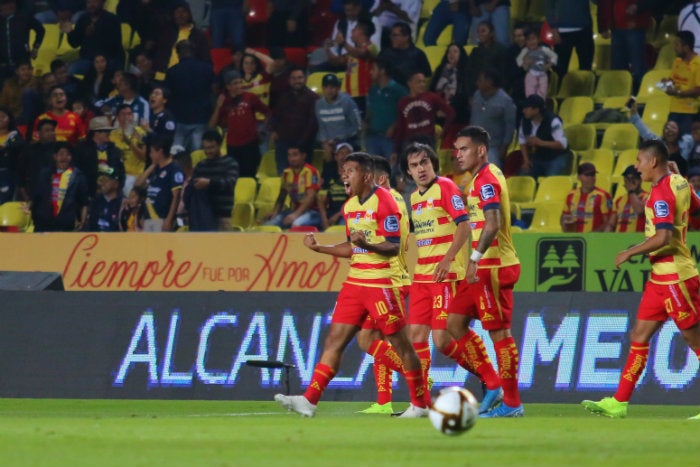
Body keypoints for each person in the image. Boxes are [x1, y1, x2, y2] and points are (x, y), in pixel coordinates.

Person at [274, 151, 428, 418]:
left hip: (380, 283)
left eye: (351, 170)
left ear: (366, 175)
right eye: (343, 170)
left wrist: (366, 243)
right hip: (354, 284)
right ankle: (309, 401)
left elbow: (393, 247)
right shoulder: (350, 207)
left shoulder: (386, 203)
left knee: (401, 345)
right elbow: (351, 247)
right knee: (334, 342)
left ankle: (420, 403)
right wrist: (320, 248)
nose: (344, 175)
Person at [582, 139, 700, 420]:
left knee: (694, 340)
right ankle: (619, 402)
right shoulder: (680, 183)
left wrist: (629, 252)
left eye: (639, 161)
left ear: (653, 162)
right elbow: (696, 208)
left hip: (676, 277)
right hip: (659, 278)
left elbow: (664, 237)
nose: (637, 167)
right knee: (639, 335)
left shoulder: (660, 193)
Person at [401, 141, 505, 415]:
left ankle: (490, 378)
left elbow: (464, 225)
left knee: (443, 341)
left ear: (433, 163)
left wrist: (448, 259)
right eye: (414, 165)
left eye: (424, 162)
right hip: (422, 275)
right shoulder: (414, 198)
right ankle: (419, 403)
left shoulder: (446, 187)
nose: (420, 169)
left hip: (447, 275)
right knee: (415, 336)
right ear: (408, 172)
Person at [447, 125, 524, 418]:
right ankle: (492, 383)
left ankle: (513, 403)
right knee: (454, 323)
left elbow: (492, 223)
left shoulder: (486, 180)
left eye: (464, 149)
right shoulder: (486, 175)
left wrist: (475, 258)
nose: (458, 155)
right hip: (484, 267)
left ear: (480, 150)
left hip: (492, 266)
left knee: (500, 334)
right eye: (456, 149)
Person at [354, 154, 411, 414]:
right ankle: (384, 401)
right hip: (390, 277)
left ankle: (415, 374)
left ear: (381, 178)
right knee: (378, 340)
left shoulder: (390, 201)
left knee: (367, 339)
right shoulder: (387, 201)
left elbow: (388, 242)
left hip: (390, 278)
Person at [210, 70, 269, 178]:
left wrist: (263, 131)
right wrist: (218, 107)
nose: (239, 86)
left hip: (250, 143)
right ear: (228, 86)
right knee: (235, 175)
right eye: (235, 83)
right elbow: (212, 125)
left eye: (240, 82)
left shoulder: (250, 97)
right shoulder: (224, 102)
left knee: (250, 175)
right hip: (233, 145)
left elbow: (267, 112)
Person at [165, 40, 215, 153]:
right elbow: (214, 90)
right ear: (193, 51)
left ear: (178, 54)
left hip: (179, 118)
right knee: (197, 156)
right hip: (201, 117)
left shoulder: (172, 71)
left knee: (176, 154)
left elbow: (167, 96)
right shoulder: (206, 68)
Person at [184, 130, 239, 231]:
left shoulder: (230, 163)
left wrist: (209, 183)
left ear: (220, 145)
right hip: (202, 217)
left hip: (223, 216)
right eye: (205, 148)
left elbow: (230, 183)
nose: (208, 151)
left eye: (211, 148)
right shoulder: (201, 165)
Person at [268, 66, 318, 174]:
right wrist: (273, 130)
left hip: (304, 145)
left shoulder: (313, 98)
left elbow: (312, 123)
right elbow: (275, 115)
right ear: (289, 80)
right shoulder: (282, 97)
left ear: (305, 79)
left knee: (304, 178)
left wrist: (299, 145)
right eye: (294, 78)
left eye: (300, 78)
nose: (297, 81)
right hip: (283, 144)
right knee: (283, 176)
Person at [30, 142, 89, 232]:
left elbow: (84, 202)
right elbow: (36, 197)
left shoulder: (78, 176)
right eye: (61, 154)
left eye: (68, 155)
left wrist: (82, 222)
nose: (64, 158)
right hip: (43, 222)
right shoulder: (44, 174)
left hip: (66, 223)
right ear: (55, 156)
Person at [393, 72, 456, 156]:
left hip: (427, 138)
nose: (422, 84)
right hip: (410, 140)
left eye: (424, 82)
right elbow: (401, 127)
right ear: (410, 83)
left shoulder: (431, 97)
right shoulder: (403, 103)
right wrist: (395, 151)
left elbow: (451, 113)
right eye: (418, 82)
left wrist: (443, 132)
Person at [597, 0, 652, 91]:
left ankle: (638, 97)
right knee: (618, 70)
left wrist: (637, 9)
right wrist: (602, 26)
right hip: (616, 28)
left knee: (637, 69)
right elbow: (603, 3)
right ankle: (620, 98)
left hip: (634, 27)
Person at [265, 146, 322, 230]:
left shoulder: (310, 171)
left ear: (303, 156)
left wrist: (295, 215)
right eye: (289, 155)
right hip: (293, 210)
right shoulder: (286, 173)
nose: (292, 158)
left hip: (312, 212)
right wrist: (275, 211)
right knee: (270, 224)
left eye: (295, 155)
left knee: (296, 224)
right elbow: (282, 194)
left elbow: (311, 197)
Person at [629, 100, 692, 176]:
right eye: (667, 128)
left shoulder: (687, 141)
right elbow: (645, 132)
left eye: (673, 128)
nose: (669, 131)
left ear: (679, 131)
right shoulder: (659, 143)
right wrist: (633, 113)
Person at [469, 68, 516, 169]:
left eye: (480, 80)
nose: (477, 83)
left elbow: (510, 127)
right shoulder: (477, 95)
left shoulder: (506, 102)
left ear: (489, 82)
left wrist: (504, 147)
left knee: (490, 175)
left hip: (493, 147)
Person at [136, 134, 184, 232]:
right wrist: (153, 165)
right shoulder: (155, 169)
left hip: (162, 218)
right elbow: (137, 184)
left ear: (160, 152)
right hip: (149, 217)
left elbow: (176, 196)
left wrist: (169, 220)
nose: (150, 155)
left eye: (152, 152)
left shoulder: (174, 169)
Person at [62, 0, 124, 75]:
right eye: (89, 2)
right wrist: (70, 32)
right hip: (87, 60)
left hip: (107, 59)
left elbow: (114, 45)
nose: (91, 5)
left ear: (102, 3)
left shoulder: (111, 19)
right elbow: (75, 44)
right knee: (71, 70)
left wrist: (93, 34)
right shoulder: (83, 19)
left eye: (94, 2)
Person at [365, 57, 408, 160]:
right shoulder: (372, 90)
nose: (370, 72)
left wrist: (394, 126)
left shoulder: (398, 90)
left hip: (390, 139)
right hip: (373, 137)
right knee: (374, 171)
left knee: (390, 171)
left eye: (373, 69)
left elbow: (407, 112)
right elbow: (370, 110)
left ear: (382, 71)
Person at [73, 115, 125, 198]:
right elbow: (78, 171)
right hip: (88, 193)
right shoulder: (82, 150)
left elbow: (120, 171)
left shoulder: (114, 150)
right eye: (106, 131)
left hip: (110, 193)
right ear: (96, 133)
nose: (109, 133)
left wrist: (109, 170)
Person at [518, 94, 569, 178]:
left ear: (536, 109)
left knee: (551, 179)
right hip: (537, 157)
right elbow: (522, 142)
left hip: (555, 157)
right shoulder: (524, 121)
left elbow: (563, 144)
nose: (523, 111)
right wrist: (526, 160)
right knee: (523, 176)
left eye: (527, 108)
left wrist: (540, 143)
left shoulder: (553, 121)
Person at [315, 73, 362, 160]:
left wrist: (338, 139)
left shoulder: (348, 102)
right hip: (329, 145)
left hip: (348, 142)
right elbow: (321, 126)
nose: (329, 90)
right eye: (326, 87)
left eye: (332, 87)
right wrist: (325, 142)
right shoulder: (319, 105)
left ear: (338, 88)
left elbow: (357, 126)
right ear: (323, 88)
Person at [430, 43, 471, 140]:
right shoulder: (440, 70)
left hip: (456, 109)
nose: (451, 54)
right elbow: (431, 90)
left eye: (455, 52)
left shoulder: (465, 72)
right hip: (438, 108)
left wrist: (447, 109)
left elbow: (464, 95)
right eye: (449, 52)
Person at [545, 0, 594, 80]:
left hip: (584, 28)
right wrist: (553, 28)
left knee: (586, 69)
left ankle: (584, 90)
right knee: (560, 70)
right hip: (562, 30)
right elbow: (549, 6)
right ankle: (559, 90)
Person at [663, 31, 700, 136]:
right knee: (669, 141)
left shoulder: (698, 64)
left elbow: (698, 89)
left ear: (686, 47)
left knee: (685, 143)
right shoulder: (677, 62)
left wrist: (681, 93)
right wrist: (666, 83)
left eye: (677, 44)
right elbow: (673, 80)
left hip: (689, 112)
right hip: (674, 110)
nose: (674, 47)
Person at [561, 162, 613, 232]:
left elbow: (608, 222)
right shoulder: (571, 195)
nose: (591, 178)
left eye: (593, 175)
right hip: (575, 238)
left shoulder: (603, 195)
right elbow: (564, 217)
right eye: (587, 175)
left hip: (595, 238)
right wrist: (565, 227)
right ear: (579, 177)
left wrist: (592, 236)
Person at [0, 0, 44, 84]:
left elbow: (41, 30)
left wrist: (36, 47)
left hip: (22, 62)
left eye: (12, 3)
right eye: (5, 4)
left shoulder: (24, 17)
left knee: (25, 89)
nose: (10, 6)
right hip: (3, 65)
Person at [376, 21, 431, 87]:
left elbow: (426, 75)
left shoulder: (418, 55)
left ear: (406, 37)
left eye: (395, 35)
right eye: (391, 35)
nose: (391, 38)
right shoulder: (385, 53)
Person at [110, 104, 147, 195]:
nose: (127, 117)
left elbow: (144, 157)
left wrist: (130, 144)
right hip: (119, 175)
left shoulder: (140, 133)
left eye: (130, 114)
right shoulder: (112, 135)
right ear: (118, 117)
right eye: (123, 114)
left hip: (136, 176)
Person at [18, 118, 56, 201]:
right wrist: (25, 197)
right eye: (47, 130)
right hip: (35, 194)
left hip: (57, 193)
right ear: (39, 133)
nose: (51, 133)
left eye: (52, 130)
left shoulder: (60, 148)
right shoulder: (30, 150)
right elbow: (21, 176)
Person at [468, 21, 510, 92]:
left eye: (483, 31)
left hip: (496, 91)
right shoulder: (475, 52)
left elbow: (504, 74)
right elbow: (469, 73)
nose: (480, 34)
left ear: (492, 33)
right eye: (478, 32)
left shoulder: (501, 50)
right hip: (477, 91)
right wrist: (470, 93)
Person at [516, 28, 558, 99]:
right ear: (525, 42)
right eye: (528, 40)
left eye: (533, 39)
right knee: (530, 94)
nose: (531, 42)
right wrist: (525, 64)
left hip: (543, 75)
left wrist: (549, 65)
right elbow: (518, 60)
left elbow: (554, 56)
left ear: (538, 40)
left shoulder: (544, 49)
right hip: (530, 75)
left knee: (542, 94)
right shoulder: (525, 51)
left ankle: (541, 107)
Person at [319, 142, 351, 230]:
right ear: (336, 156)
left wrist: (337, 216)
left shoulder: (355, 175)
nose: (344, 156)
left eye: (347, 153)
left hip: (347, 213)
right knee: (302, 223)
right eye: (341, 153)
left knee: (340, 228)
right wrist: (324, 219)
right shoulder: (328, 173)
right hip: (328, 213)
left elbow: (353, 200)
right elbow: (321, 200)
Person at [606, 165, 648, 233]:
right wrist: (604, 238)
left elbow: (639, 211)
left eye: (633, 179)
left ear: (640, 180)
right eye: (627, 179)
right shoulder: (619, 200)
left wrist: (631, 191)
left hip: (638, 240)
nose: (630, 182)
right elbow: (611, 224)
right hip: (619, 240)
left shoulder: (648, 197)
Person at [85, 166, 125, 231]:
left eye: (106, 180)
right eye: (101, 180)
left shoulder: (123, 203)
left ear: (116, 184)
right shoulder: (96, 201)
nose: (102, 183)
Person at [0, 107, 23, 203]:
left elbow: (20, 146)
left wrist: (6, 146)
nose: (0, 119)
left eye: (3, 116)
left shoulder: (14, 135)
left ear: (9, 119)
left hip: (8, 173)